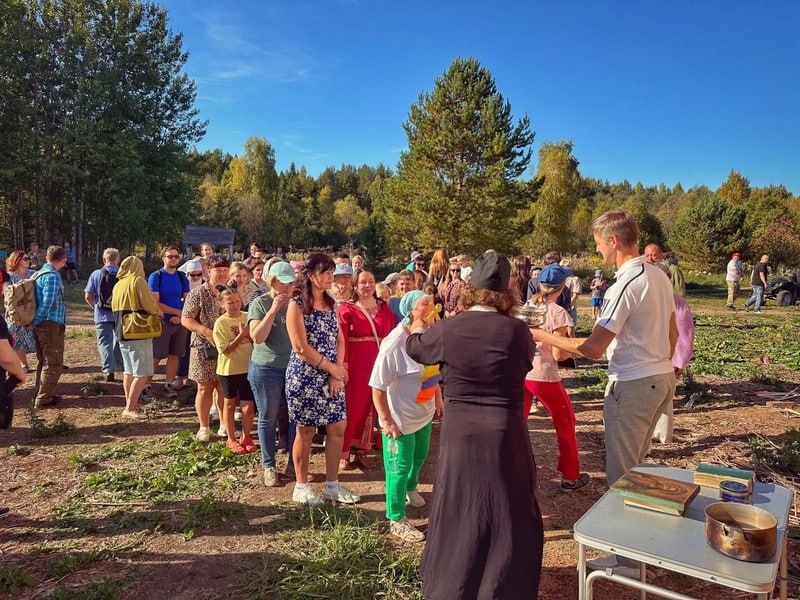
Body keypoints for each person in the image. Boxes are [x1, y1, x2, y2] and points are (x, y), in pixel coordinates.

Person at [531, 209, 676, 578]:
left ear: (613, 241)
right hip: (658, 377)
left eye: (598, 244)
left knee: (623, 475)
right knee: (640, 468)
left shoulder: (625, 283)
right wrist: (663, 365)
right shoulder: (658, 275)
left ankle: (630, 562)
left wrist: (543, 337)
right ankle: (645, 552)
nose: (598, 252)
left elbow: (595, 348)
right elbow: (674, 331)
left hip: (633, 384)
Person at [406, 250, 543, 599]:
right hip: (506, 432)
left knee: (460, 504)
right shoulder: (519, 331)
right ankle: (504, 585)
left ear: (471, 289)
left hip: (461, 432)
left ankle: (455, 584)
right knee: (506, 507)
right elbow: (525, 366)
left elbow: (417, 349)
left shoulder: (450, 327)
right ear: (506, 292)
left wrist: (419, 322)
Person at [285, 253, 359, 506]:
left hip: (330, 376)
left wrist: (336, 371)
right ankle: (301, 486)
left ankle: (332, 485)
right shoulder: (296, 304)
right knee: (305, 431)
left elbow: (338, 339)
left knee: (338, 427)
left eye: (332, 272)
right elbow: (299, 346)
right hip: (304, 377)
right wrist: (330, 368)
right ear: (311, 275)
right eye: (326, 273)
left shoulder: (332, 303)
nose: (331, 277)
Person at [369, 290, 443, 542]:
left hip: (423, 411)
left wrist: (438, 398)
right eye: (425, 304)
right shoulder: (394, 343)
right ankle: (396, 517)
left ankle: (411, 488)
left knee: (420, 454)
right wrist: (386, 420)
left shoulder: (429, 334)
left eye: (432, 303)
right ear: (411, 310)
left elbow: (432, 368)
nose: (431, 308)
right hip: (399, 419)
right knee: (398, 468)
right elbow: (377, 386)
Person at [524, 263, 590, 491]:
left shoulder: (526, 306)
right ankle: (571, 476)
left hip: (523, 374)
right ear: (562, 287)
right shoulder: (558, 313)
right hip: (544, 376)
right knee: (566, 422)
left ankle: (514, 473)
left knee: (517, 426)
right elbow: (558, 353)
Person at [338, 267, 395, 471]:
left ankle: (361, 449)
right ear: (355, 284)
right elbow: (341, 340)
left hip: (379, 363)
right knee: (354, 406)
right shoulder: (346, 308)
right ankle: (343, 452)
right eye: (363, 282)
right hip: (356, 364)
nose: (368, 285)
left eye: (371, 281)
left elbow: (391, 337)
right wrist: (342, 366)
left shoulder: (384, 308)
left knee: (373, 406)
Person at [248, 261, 296, 486]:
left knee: (297, 416)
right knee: (268, 415)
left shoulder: (298, 303)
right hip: (266, 368)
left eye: (290, 282)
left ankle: (294, 465)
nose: (287, 286)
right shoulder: (260, 302)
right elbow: (257, 337)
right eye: (283, 282)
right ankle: (269, 465)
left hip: (294, 367)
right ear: (272, 281)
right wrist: (274, 309)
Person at [182, 255, 229, 442]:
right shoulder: (198, 293)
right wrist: (207, 332)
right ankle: (204, 426)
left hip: (227, 347)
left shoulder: (231, 292)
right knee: (204, 388)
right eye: (218, 270)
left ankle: (225, 424)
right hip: (203, 347)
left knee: (224, 388)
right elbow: (186, 319)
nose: (222, 274)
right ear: (209, 271)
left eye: (225, 270)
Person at [111, 256, 163, 418]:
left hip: (122, 329)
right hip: (138, 330)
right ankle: (130, 408)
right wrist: (158, 312)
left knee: (129, 370)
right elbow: (149, 304)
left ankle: (131, 403)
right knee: (142, 371)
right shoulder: (137, 281)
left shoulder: (119, 284)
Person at [213, 282, 256, 454]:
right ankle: (231, 438)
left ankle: (246, 436)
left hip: (248, 367)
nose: (235, 305)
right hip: (229, 370)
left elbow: (256, 340)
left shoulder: (248, 316)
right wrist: (241, 335)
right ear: (222, 304)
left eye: (237, 301)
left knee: (248, 406)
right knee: (229, 404)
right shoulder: (220, 323)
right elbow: (225, 349)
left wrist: (248, 334)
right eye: (230, 302)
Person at [148, 246, 190, 399]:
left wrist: (181, 317)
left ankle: (168, 384)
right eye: (170, 256)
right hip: (162, 322)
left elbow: (188, 299)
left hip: (179, 322)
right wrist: (178, 313)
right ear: (163, 258)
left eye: (176, 256)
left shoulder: (181, 277)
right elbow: (155, 303)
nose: (173, 259)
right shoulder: (156, 276)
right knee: (156, 356)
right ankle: (146, 385)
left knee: (175, 355)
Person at [31, 246, 68, 408]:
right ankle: (44, 398)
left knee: (43, 361)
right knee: (53, 362)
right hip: (50, 324)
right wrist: (36, 321)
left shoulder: (38, 274)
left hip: (42, 324)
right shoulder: (52, 276)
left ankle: (40, 392)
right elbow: (47, 302)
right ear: (63, 259)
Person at [84, 248, 124, 382]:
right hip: (120, 314)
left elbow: (88, 295)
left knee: (104, 342)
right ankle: (120, 365)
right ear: (118, 259)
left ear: (104, 259)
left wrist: (95, 307)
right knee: (120, 340)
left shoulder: (96, 274)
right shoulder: (123, 274)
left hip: (101, 314)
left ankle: (108, 369)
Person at [6, 251, 37, 373]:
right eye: (25, 258)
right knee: (17, 339)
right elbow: (7, 295)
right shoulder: (9, 276)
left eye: (28, 258)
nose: (28, 260)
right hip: (16, 313)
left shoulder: (34, 274)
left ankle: (44, 360)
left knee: (36, 337)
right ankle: (24, 364)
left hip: (32, 310)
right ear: (17, 260)